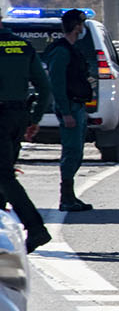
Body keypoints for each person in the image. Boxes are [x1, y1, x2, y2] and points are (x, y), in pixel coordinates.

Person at [0, 20, 53, 251]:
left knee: (4, 177)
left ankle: (35, 227)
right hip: (18, 116)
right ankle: (3, 235)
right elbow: (45, 87)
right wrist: (35, 118)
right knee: (3, 174)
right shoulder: (23, 46)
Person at [45, 9, 97, 211]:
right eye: (81, 24)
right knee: (71, 150)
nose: (83, 28)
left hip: (77, 106)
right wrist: (66, 112)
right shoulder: (61, 51)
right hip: (70, 107)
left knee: (77, 151)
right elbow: (57, 84)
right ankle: (66, 197)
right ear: (76, 27)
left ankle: (70, 196)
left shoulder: (72, 49)